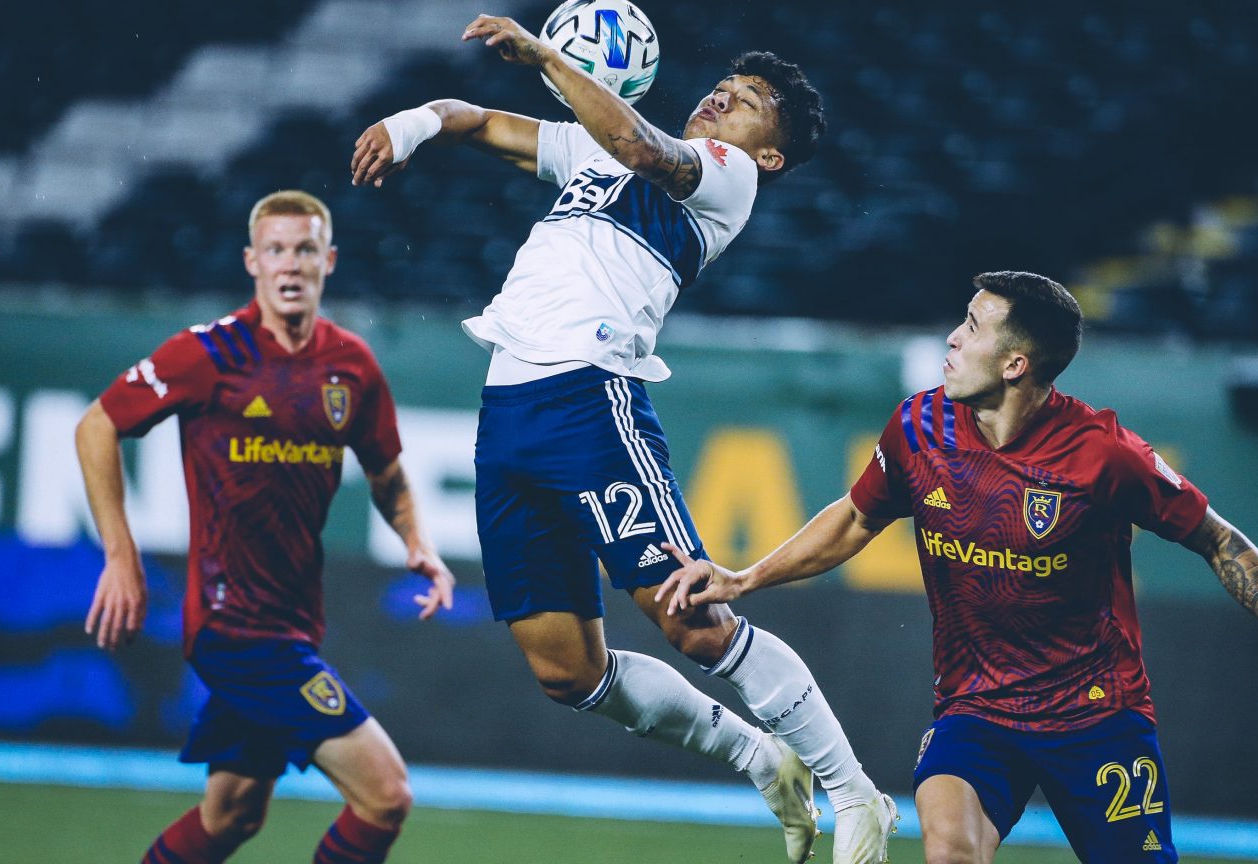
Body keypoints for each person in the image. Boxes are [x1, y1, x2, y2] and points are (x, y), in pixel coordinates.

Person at [348, 13, 895, 864]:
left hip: (590, 400)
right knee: (569, 674)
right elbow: (476, 120)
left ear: (771, 153)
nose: (723, 97)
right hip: (509, 410)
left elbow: (642, 149)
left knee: (697, 620)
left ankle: (858, 793)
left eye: (748, 102)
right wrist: (409, 124)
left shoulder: (725, 177)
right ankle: (761, 758)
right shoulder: (595, 148)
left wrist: (544, 55)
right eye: (726, 84)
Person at [656, 271, 1258, 863]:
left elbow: (1216, 537)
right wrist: (744, 578)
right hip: (976, 709)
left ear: (1016, 363)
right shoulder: (919, 427)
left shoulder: (1104, 456)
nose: (953, 338)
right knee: (947, 846)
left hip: (1096, 714)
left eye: (973, 326)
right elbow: (855, 518)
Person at [76, 189, 456, 864]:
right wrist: (120, 555)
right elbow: (97, 425)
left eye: (304, 249)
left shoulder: (352, 366)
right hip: (235, 629)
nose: (290, 264)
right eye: (275, 250)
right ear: (252, 262)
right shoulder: (207, 354)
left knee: (231, 815)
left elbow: (387, 473)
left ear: (328, 261)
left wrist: (418, 544)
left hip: (293, 622)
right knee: (387, 794)